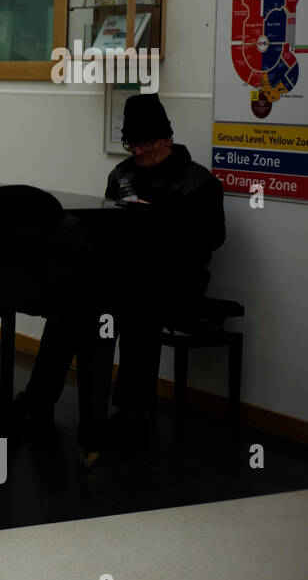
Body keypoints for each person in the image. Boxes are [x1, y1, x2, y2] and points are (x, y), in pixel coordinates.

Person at [15, 94, 226, 446]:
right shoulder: (122, 175)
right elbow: (104, 230)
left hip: (178, 276)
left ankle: (131, 411)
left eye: (144, 143)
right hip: (125, 271)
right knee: (68, 304)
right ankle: (40, 398)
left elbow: (211, 239)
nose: (138, 151)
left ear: (167, 139)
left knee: (138, 305)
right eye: (131, 144)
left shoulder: (199, 183)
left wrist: (159, 221)